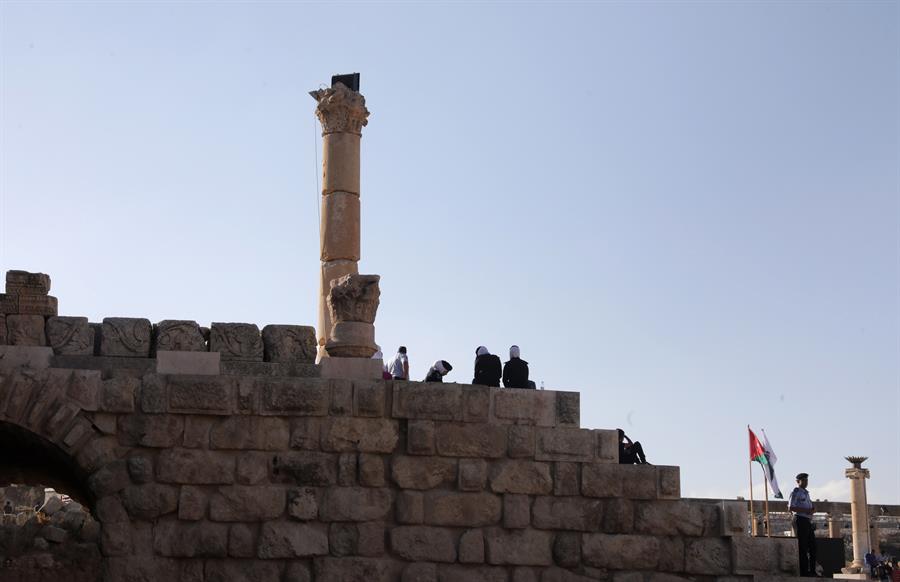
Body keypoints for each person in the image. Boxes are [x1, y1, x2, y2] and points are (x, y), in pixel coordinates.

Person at [789, 472, 818, 577]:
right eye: (804, 480)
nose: (806, 482)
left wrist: (812, 510)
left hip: (807, 521)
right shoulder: (796, 492)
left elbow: (809, 508)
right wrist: (806, 510)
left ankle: (812, 571)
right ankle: (804, 571)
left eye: (806, 480)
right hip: (800, 519)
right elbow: (791, 508)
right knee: (803, 547)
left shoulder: (806, 493)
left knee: (813, 547)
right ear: (798, 481)